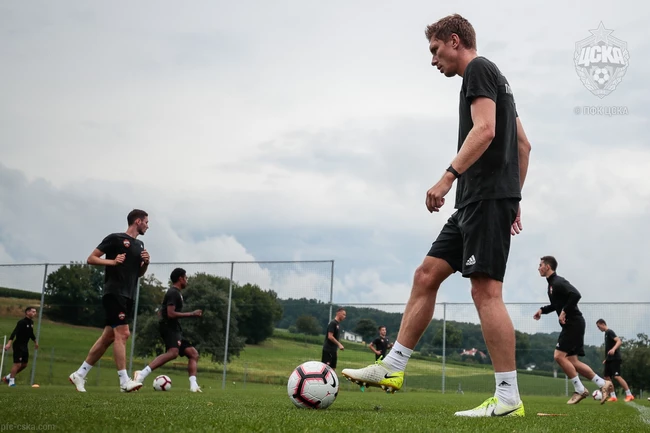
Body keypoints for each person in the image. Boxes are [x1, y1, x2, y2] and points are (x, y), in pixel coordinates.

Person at [342, 13, 531, 418]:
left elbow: (485, 130)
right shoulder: (496, 79)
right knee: (426, 275)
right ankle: (392, 367)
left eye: (435, 49)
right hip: (477, 201)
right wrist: (514, 196)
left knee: (485, 292)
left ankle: (508, 397)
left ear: (454, 40)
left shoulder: (478, 70)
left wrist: (447, 178)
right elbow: (523, 145)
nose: (433, 60)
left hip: (484, 199)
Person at [68, 209, 150, 393]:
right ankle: (124, 381)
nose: (147, 226)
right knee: (123, 334)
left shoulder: (140, 244)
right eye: (146, 222)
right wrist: (112, 262)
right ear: (137, 221)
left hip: (128, 295)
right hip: (114, 293)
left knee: (108, 337)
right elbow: (91, 259)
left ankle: (79, 374)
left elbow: (138, 274)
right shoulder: (115, 238)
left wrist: (146, 263)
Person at [534, 256, 614, 405]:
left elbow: (576, 294)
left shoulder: (558, 282)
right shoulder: (551, 285)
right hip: (573, 324)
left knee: (558, 356)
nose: (538, 268)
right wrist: (542, 310)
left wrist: (564, 311)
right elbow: (555, 305)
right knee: (572, 361)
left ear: (548, 267)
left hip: (574, 324)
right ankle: (603, 384)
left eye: (540, 265)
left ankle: (580, 389)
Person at [134, 268, 203, 392]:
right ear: (180, 278)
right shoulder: (173, 293)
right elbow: (170, 314)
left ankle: (194, 386)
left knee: (193, 354)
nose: (187, 280)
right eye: (186, 277)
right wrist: (191, 314)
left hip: (175, 328)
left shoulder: (176, 293)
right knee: (173, 353)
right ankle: (141, 374)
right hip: (169, 327)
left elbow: (163, 310)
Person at [596, 319, 634, 402]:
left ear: (603, 324)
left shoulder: (610, 332)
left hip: (615, 358)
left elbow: (619, 341)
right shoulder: (606, 334)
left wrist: (613, 349)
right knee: (606, 377)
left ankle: (629, 394)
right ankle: (613, 396)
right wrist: (606, 359)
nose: (598, 328)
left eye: (599, 326)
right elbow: (608, 348)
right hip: (609, 359)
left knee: (617, 376)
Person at [2, 307, 39, 387]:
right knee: (17, 364)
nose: (34, 313)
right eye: (33, 311)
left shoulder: (31, 322)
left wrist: (35, 342)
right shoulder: (21, 322)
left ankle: (8, 377)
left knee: (24, 364)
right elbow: (14, 332)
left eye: (35, 312)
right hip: (18, 345)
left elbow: (31, 333)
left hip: (25, 346)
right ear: (27, 312)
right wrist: (9, 343)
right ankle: (11, 382)